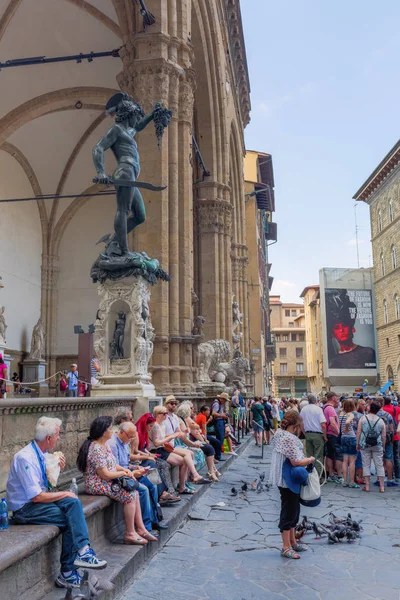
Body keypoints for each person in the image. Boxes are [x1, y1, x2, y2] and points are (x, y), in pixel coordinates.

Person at [7, 417, 107, 589]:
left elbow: (46, 486)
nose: (58, 438)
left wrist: (55, 470)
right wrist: (65, 492)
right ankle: (70, 569)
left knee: (73, 505)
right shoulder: (25, 457)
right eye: (57, 435)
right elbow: (36, 496)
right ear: (48, 438)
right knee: (71, 516)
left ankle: (81, 554)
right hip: (25, 509)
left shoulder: (42, 454)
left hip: (37, 503)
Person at [77, 416, 158, 545]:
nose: (112, 431)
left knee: (135, 492)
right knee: (130, 495)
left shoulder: (104, 445)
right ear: (103, 432)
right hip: (97, 483)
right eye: (110, 429)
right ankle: (130, 533)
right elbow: (104, 474)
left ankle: (141, 529)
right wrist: (124, 472)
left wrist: (126, 470)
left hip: (106, 480)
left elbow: (113, 464)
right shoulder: (96, 449)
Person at [269, 410, 315, 560]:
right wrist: (309, 460)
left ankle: (292, 542)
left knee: (294, 509)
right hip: (288, 478)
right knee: (289, 511)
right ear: (295, 425)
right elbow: (296, 461)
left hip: (283, 477)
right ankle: (285, 546)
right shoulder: (289, 438)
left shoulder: (278, 433)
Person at [107, 421, 167, 532]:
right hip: (122, 475)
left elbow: (127, 460)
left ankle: (155, 519)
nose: (132, 439)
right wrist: (132, 472)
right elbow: (115, 466)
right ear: (121, 432)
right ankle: (146, 526)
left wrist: (136, 468)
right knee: (144, 490)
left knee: (154, 484)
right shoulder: (113, 444)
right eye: (130, 436)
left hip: (129, 471)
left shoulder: (124, 442)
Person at [148, 405, 198, 495]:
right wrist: (171, 436)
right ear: (157, 415)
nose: (166, 415)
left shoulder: (161, 425)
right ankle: (185, 483)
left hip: (163, 448)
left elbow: (162, 437)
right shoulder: (155, 426)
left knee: (186, 458)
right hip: (156, 450)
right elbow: (156, 443)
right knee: (183, 460)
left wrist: (175, 434)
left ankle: (184, 483)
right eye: (164, 413)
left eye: (166, 413)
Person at [135, 412, 181, 503]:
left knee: (161, 463)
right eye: (150, 426)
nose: (150, 428)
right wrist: (148, 456)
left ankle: (166, 491)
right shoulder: (137, 434)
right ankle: (164, 493)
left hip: (144, 455)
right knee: (158, 464)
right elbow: (135, 451)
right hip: (140, 459)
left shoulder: (144, 432)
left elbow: (143, 448)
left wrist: (149, 455)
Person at [164, 395, 210, 477]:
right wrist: (176, 434)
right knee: (188, 456)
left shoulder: (174, 417)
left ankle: (186, 483)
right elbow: (161, 436)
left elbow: (180, 433)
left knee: (192, 453)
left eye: (175, 403)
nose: (174, 405)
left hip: (173, 445)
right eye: (171, 403)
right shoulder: (164, 418)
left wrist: (184, 433)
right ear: (166, 404)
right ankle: (194, 476)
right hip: (167, 446)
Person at [177, 401, 221, 482]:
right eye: (191, 408)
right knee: (209, 447)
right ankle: (210, 472)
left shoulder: (188, 418)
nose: (193, 409)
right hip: (189, 441)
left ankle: (212, 471)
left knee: (212, 445)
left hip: (193, 439)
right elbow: (198, 429)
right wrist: (200, 441)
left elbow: (197, 429)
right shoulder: (185, 419)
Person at [356, 401, 386, 493]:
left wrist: (357, 443)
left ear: (369, 408)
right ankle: (382, 487)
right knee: (379, 465)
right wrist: (383, 446)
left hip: (365, 444)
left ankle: (367, 486)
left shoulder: (363, 418)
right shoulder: (381, 420)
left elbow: (359, 432)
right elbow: (383, 436)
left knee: (366, 464)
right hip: (377, 444)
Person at [300, 394, 327, 477]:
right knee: (318, 457)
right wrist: (325, 436)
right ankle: (318, 477)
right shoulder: (318, 409)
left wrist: (304, 432)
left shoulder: (304, 409)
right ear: (316, 401)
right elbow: (323, 424)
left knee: (309, 456)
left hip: (308, 433)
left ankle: (310, 475)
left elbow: (301, 422)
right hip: (317, 434)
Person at [339, 399, 360, 488]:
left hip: (343, 437)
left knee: (345, 460)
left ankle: (345, 480)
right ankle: (351, 482)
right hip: (351, 437)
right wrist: (347, 428)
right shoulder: (350, 414)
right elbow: (348, 422)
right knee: (352, 461)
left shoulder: (341, 414)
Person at [322, 392, 343, 482]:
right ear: (333, 398)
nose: (338, 401)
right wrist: (338, 432)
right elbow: (332, 422)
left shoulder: (324, 407)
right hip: (333, 434)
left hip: (328, 434)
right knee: (338, 455)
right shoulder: (330, 409)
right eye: (337, 399)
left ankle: (330, 474)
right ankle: (339, 475)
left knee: (330, 455)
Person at [383, 396, 400, 482]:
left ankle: (388, 474)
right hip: (396, 435)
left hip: (385, 437)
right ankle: (397, 475)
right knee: (396, 456)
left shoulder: (381, 410)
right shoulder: (397, 409)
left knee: (386, 457)